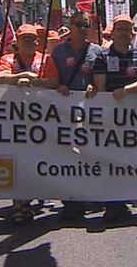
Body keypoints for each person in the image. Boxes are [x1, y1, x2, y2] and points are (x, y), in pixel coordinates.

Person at [87, 14, 137, 222]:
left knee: (134, 158)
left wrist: (127, 90)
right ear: (113, 32)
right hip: (111, 119)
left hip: (136, 119)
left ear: (133, 33)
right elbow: (101, 86)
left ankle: (134, 195)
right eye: (120, 29)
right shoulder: (102, 57)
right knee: (111, 161)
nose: (124, 32)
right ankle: (114, 204)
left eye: (128, 29)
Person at [0, 24, 59, 224]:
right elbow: (1, 77)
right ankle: (19, 204)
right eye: (25, 39)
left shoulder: (45, 59)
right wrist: (20, 77)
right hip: (13, 120)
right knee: (17, 161)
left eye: (32, 39)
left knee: (34, 160)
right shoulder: (7, 59)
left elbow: (53, 81)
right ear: (18, 41)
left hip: (39, 120)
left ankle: (29, 198)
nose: (29, 42)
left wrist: (35, 82)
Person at [50, 11, 103, 220]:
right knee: (68, 156)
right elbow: (51, 79)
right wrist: (59, 85)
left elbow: (101, 79)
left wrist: (94, 85)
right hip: (64, 111)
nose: (82, 29)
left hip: (90, 111)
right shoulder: (58, 52)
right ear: (70, 26)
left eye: (86, 25)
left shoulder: (97, 52)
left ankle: (91, 194)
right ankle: (71, 200)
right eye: (78, 24)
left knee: (90, 154)